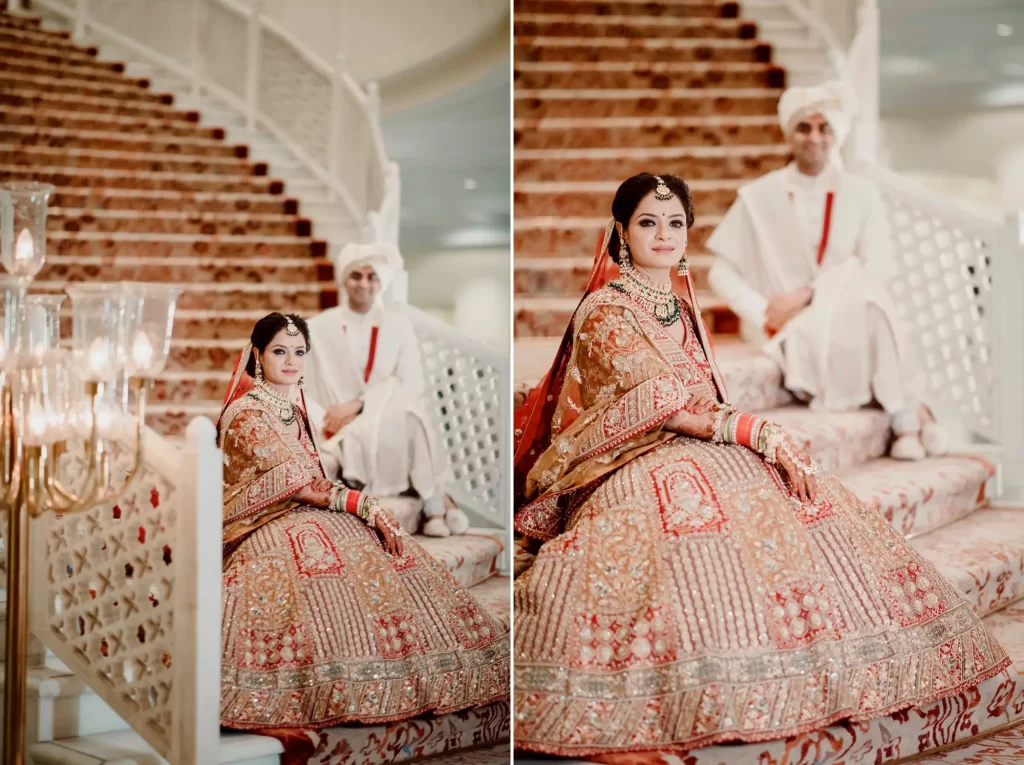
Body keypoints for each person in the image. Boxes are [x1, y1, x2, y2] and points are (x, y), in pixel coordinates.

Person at [512, 174, 1008, 758]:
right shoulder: (604, 310)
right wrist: (753, 429)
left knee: (801, 497)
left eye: (675, 223)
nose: (664, 234)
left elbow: (702, 398)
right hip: (631, 456)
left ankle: (831, 663)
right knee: (692, 527)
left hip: (703, 442)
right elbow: (661, 402)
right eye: (648, 222)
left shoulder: (677, 303)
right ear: (621, 232)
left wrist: (753, 436)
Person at [217, 312, 509, 729]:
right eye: (279, 351)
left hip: (304, 512)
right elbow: (296, 482)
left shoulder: (290, 408)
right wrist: (364, 504)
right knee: (322, 559)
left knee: (376, 548)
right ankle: (336, 680)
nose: (291, 361)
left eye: (299, 352)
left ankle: (408, 666)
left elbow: (312, 481)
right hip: (262, 521)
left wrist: (358, 509)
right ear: (257, 355)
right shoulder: (246, 413)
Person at [707, 80, 943, 460]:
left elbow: (877, 265)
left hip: (849, 308)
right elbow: (720, 272)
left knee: (872, 305)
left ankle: (908, 418)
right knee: (874, 311)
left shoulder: (861, 192)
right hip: (791, 325)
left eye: (824, 127)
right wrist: (765, 312)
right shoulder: (760, 196)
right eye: (804, 127)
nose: (814, 137)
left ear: (836, 135)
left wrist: (812, 293)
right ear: (789, 134)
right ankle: (912, 417)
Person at [304, 243, 470, 538]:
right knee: (409, 420)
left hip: (383, 414)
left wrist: (359, 406)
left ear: (381, 282)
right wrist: (336, 416)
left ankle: (435, 506)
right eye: (356, 275)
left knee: (412, 414)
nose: (364, 284)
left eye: (372, 277)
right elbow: (304, 385)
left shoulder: (398, 326)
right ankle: (437, 504)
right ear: (344, 279)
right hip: (337, 424)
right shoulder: (318, 327)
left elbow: (408, 383)